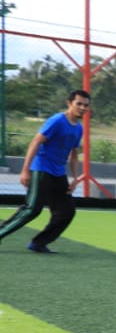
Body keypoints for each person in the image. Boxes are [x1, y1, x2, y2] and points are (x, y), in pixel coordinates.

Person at [0, 89, 91, 254]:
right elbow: (35, 142)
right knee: (32, 209)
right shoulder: (56, 121)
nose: (82, 108)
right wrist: (25, 170)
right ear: (69, 103)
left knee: (66, 211)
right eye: (79, 104)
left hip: (58, 174)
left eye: (85, 105)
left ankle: (38, 243)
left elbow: (75, 154)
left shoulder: (79, 128)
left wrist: (75, 178)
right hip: (41, 169)